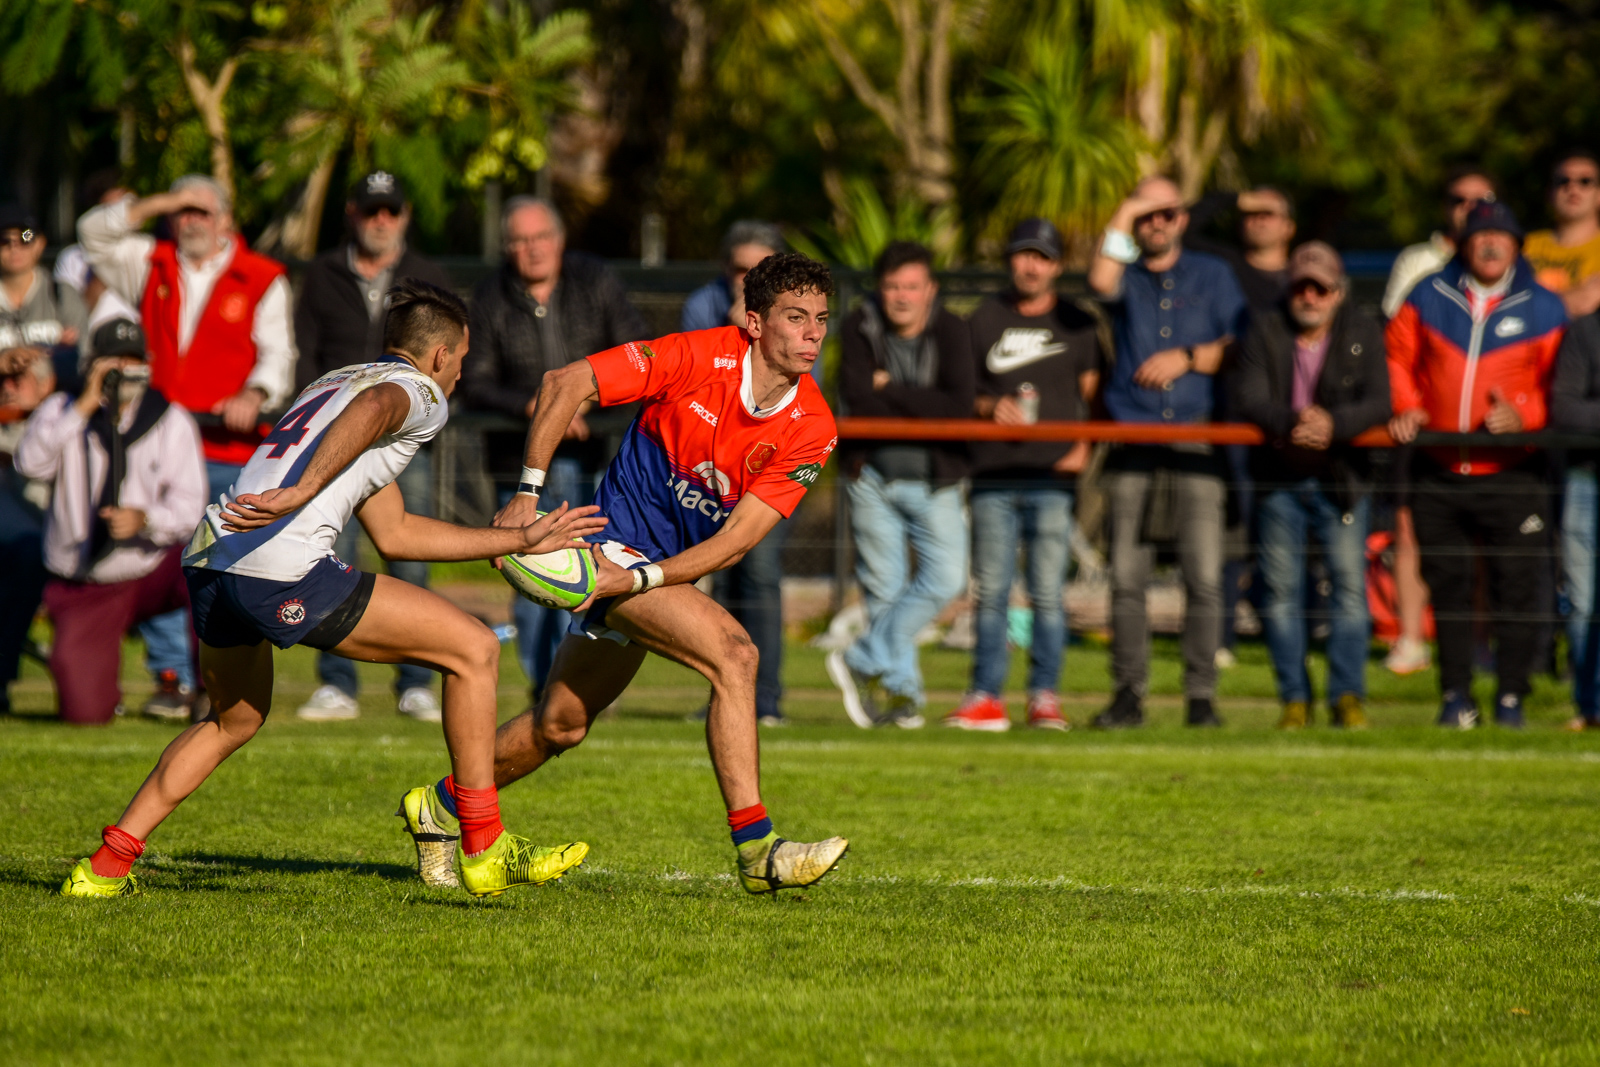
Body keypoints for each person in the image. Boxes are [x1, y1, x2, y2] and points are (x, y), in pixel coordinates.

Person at [60, 280, 608, 899]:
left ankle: (103, 868)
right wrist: (302, 491)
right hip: (279, 568)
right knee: (475, 649)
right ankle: (485, 846)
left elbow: (396, 534)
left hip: (213, 560)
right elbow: (378, 405)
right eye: (460, 359)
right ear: (438, 356)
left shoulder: (331, 384)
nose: (460, 374)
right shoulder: (417, 392)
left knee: (233, 720)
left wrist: (515, 540)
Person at [398, 253, 849, 896]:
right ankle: (757, 850)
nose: (813, 333)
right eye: (796, 317)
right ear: (755, 322)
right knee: (735, 655)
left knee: (560, 725)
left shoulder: (813, 427)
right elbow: (564, 382)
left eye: (821, 319)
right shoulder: (696, 356)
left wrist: (639, 582)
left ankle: (440, 806)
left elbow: (734, 544)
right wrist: (526, 494)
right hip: (604, 550)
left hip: (647, 575)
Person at [461, 196, 649, 701]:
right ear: (507, 247)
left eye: (541, 237)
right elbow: (474, 381)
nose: (533, 248)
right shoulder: (490, 296)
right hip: (517, 464)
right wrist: (533, 407)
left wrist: (587, 400)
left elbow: (636, 352)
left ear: (560, 240)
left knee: (595, 571)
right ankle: (542, 686)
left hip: (598, 461)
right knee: (529, 579)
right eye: (521, 240)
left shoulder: (596, 280)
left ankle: (582, 684)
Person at [1387, 200, 1566, 729]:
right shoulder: (1427, 295)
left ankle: (1511, 698)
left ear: (1517, 246)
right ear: (1462, 244)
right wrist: (1407, 406)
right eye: (1479, 236)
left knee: (1516, 589)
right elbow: (1396, 357)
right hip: (1440, 470)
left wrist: (1525, 415)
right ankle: (1455, 697)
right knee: (1449, 589)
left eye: (1501, 236)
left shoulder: (1544, 307)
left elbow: (1559, 385)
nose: (1490, 245)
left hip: (1514, 474)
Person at [292, 171, 454, 724]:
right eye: (370, 210)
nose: (380, 220)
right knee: (332, 556)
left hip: (401, 443)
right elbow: (306, 354)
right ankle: (337, 683)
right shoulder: (322, 274)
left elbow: (450, 357)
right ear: (351, 213)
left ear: (405, 215)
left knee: (409, 558)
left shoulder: (428, 277)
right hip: (336, 443)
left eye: (390, 210)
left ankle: (416, 681)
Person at [1086, 177, 1246, 728]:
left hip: (1196, 437)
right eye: (1146, 215)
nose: (1157, 222)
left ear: (1183, 219)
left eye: (1167, 213)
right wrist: (1130, 204)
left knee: (1203, 576)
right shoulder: (1126, 274)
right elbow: (1099, 278)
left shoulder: (1213, 274)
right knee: (1127, 578)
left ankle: (1200, 697)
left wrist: (1189, 357)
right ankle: (1128, 693)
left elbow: (1241, 345)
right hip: (1133, 436)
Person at [941, 220, 1101, 731]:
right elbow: (960, 393)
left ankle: (1044, 698)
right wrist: (990, 407)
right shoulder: (982, 319)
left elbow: (1096, 398)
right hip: (992, 476)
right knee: (991, 592)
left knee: (1048, 593)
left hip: (1053, 478)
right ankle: (985, 696)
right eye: (1023, 254)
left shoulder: (1078, 322)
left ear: (1057, 266)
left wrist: (1083, 449)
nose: (1032, 266)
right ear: (1009, 260)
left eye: (1043, 257)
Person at [13, 319, 206, 725]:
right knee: (85, 713)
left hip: (151, 566)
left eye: (133, 360)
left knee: (210, 567)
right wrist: (84, 406)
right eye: (113, 361)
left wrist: (146, 519)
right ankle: (100, 683)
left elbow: (191, 508)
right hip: (87, 583)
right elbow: (30, 464)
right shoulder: (61, 410)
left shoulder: (170, 420)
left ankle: (211, 691)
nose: (123, 369)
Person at [1234, 243, 1391, 729]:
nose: (1310, 296)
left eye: (1320, 288)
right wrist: (1293, 422)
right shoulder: (1264, 327)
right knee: (1280, 593)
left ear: (1338, 293)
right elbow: (1249, 397)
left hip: (1340, 478)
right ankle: (1294, 700)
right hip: (1279, 477)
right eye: (1302, 286)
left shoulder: (1363, 329)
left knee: (1349, 588)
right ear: (1289, 290)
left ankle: (1347, 697)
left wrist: (1333, 425)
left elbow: (1379, 401)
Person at [77, 176, 296, 505]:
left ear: (224, 219)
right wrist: (161, 202)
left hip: (226, 448)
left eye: (202, 212)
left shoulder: (262, 275)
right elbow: (91, 232)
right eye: (182, 211)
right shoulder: (150, 261)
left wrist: (255, 394)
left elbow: (278, 353)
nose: (192, 221)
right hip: (156, 442)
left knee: (224, 536)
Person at [830, 240, 972, 729]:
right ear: (879, 288)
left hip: (936, 479)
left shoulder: (953, 329)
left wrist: (889, 388)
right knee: (883, 591)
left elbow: (957, 406)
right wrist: (918, 402)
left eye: (912, 286)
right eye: (892, 286)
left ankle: (860, 656)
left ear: (930, 289)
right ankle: (902, 697)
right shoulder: (858, 324)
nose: (902, 296)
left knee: (948, 579)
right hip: (870, 476)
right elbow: (857, 400)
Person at [682, 221, 789, 726]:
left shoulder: (796, 315)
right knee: (719, 582)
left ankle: (766, 701)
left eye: (759, 270)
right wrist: (732, 332)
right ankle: (723, 698)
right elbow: (691, 383)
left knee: (761, 578)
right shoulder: (702, 306)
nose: (747, 280)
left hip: (765, 469)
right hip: (708, 470)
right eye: (739, 269)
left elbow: (793, 394)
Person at [1549, 298, 1600, 730]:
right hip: (1586, 478)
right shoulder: (1585, 332)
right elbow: (1563, 408)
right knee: (1583, 601)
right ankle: (1589, 706)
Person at [0, 345, 56, 715]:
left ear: (46, 384)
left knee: (27, 555)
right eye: (2, 379)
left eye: (17, 379)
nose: (8, 387)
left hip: (43, 549)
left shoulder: (61, 423)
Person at [1382, 167, 1497, 318]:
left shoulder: (1515, 262)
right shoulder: (1414, 261)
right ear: (1445, 207)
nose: (1469, 206)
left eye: (1482, 200)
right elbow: (1396, 320)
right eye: (1458, 200)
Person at [1524, 150, 1600, 319]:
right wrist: (1576, 296)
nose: (1572, 188)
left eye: (1585, 181)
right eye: (1562, 181)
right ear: (1549, 192)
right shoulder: (1523, 245)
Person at [0, 204, 87, 350]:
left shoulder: (62, 294)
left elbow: (83, 352)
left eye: (26, 236)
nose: (14, 247)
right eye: (3, 239)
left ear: (40, 243)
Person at [681, 220, 785, 330]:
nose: (751, 279)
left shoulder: (791, 302)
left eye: (762, 270)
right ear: (726, 268)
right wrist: (735, 333)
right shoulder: (701, 308)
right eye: (741, 270)